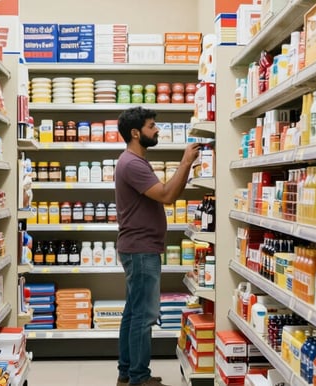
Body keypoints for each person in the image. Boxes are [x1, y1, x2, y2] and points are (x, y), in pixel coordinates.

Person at [114, 106, 201, 386]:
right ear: (136, 133)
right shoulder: (132, 163)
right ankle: (139, 377)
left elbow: (164, 194)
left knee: (133, 312)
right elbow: (166, 195)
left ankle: (127, 373)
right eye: (152, 126)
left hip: (138, 247)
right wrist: (185, 162)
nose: (157, 130)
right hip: (141, 250)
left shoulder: (135, 161)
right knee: (144, 315)